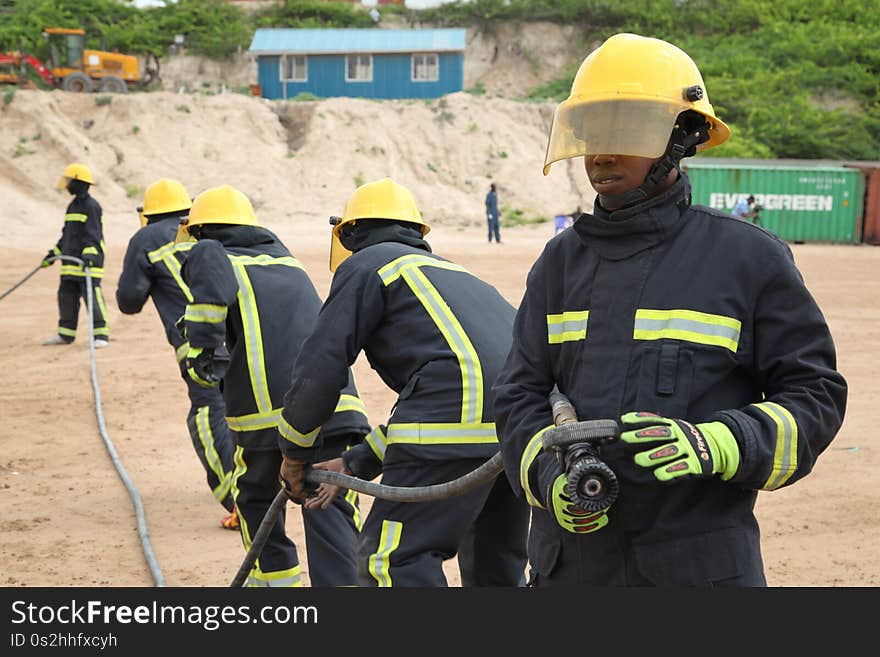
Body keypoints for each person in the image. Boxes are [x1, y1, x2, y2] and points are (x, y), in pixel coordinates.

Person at [493, 33, 847, 587]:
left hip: (698, 573)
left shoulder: (747, 259)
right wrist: (548, 476)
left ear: (682, 137)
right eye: (591, 133)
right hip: (571, 572)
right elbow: (518, 396)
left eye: (624, 131)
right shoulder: (559, 265)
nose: (601, 154)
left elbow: (814, 397)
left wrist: (721, 442)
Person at [277, 178, 529, 587]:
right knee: (495, 565)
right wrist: (354, 462)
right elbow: (441, 390)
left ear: (351, 233)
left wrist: (294, 450)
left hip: (457, 426)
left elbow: (320, 366)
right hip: (515, 432)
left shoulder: (365, 265)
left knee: (393, 562)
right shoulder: (453, 276)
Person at [177, 184, 371, 587]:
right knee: (329, 506)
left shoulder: (211, 253)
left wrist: (203, 359)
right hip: (334, 411)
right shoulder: (287, 261)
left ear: (202, 231)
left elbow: (207, 321)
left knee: (253, 497)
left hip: (268, 421)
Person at [115, 179, 238, 529]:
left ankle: (238, 500)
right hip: (242, 336)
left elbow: (129, 301)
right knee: (241, 410)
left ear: (148, 214)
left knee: (206, 413)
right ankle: (260, 484)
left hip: (198, 342)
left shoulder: (146, 239)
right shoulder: (204, 229)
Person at [41, 163, 110, 347]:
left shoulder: (92, 206)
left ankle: (101, 336)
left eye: (70, 181)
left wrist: (89, 256)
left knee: (92, 299)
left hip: (88, 265)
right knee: (65, 298)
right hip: (70, 265)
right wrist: (53, 254)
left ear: (79, 182)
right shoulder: (72, 207)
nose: (67, 185)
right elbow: (67, 236)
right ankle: (66, 334)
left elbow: (93, 236)